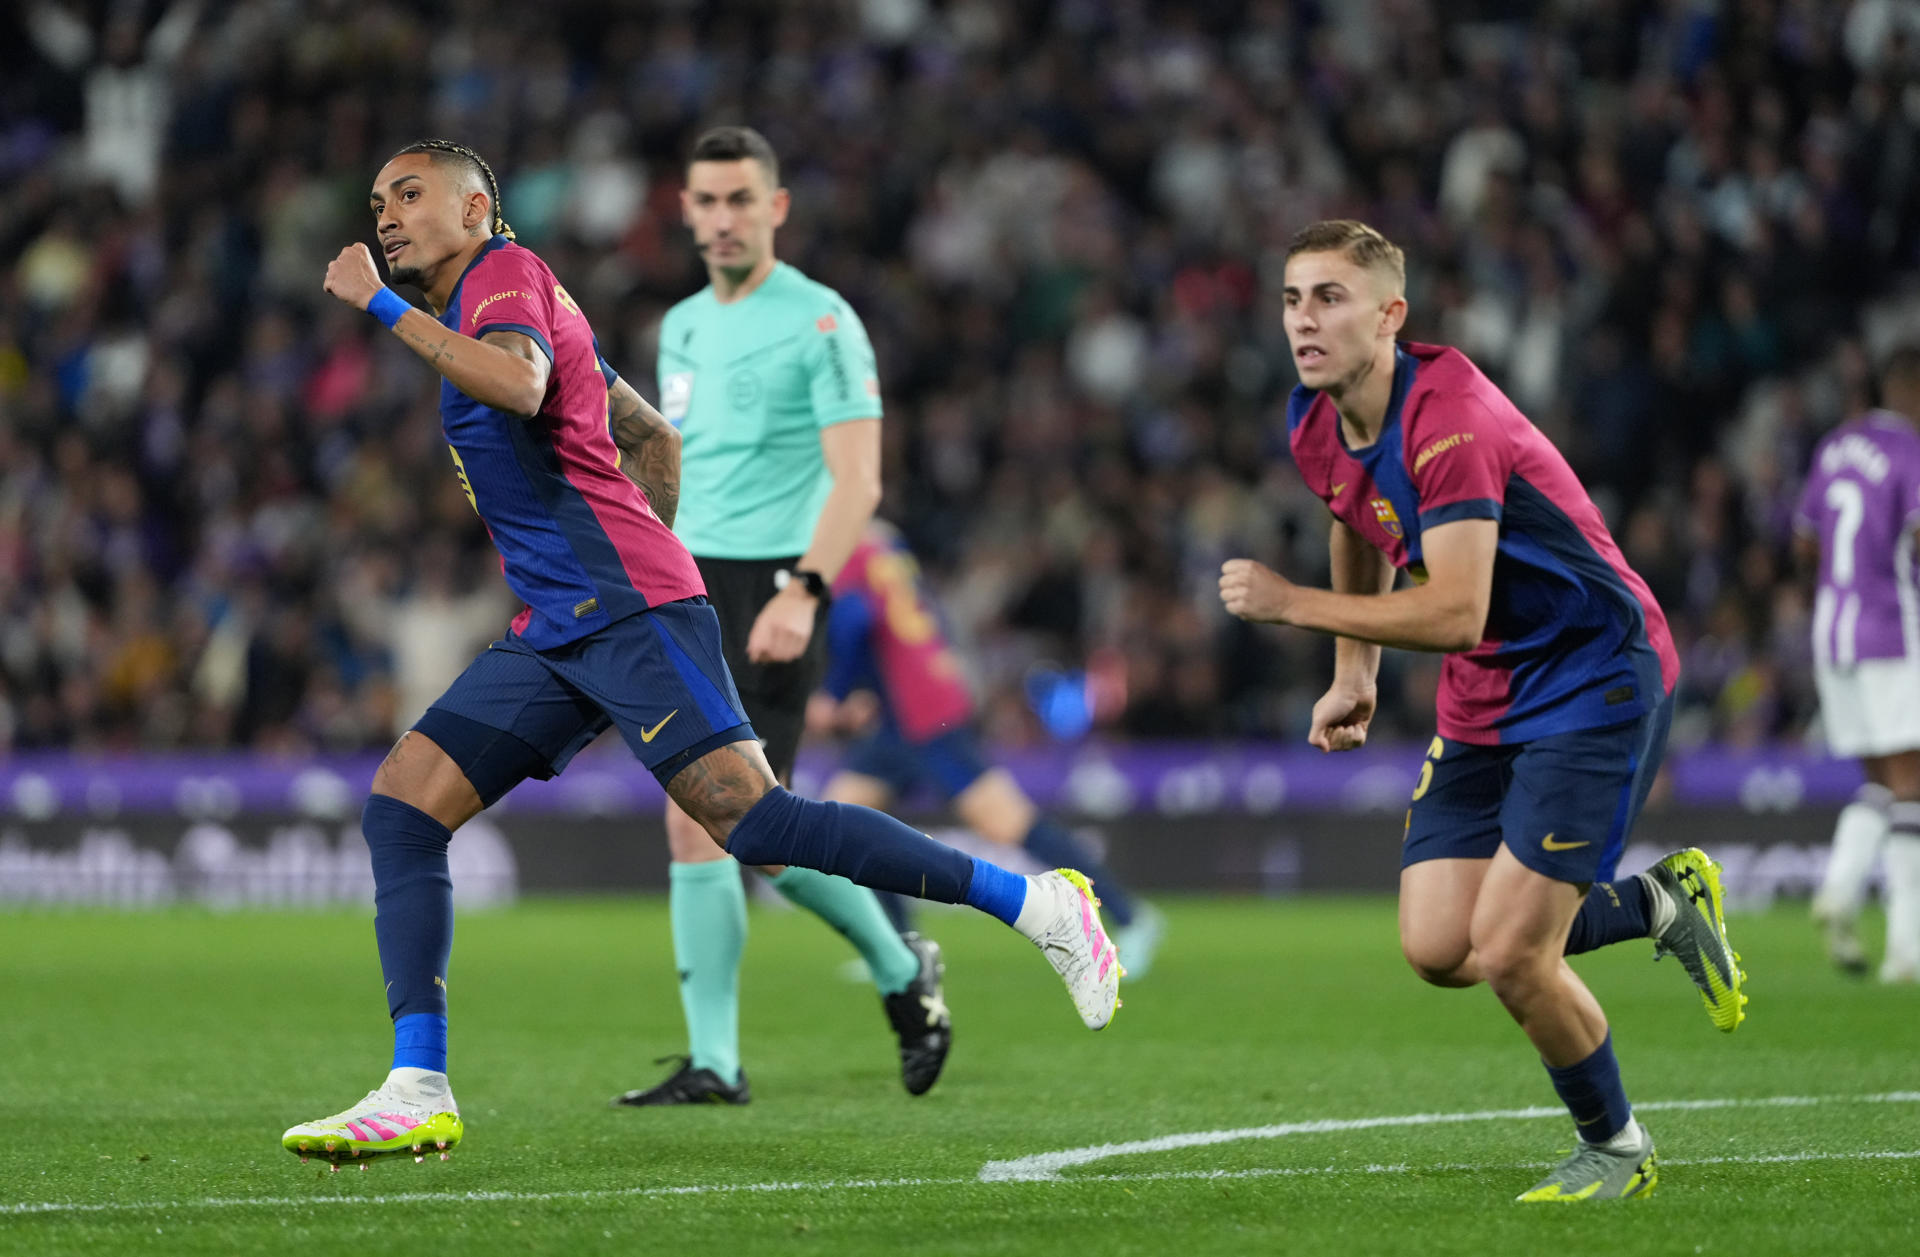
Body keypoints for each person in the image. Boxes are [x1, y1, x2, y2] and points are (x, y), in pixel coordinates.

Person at [281, 140, 1120, 1170]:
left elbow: (519, 383)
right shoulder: (523, 294)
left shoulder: (503, 277)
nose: (387, 216)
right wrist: (650, 541)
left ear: (477, 207)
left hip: (622, 608)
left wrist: (378, 307)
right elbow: (649, 438)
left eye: (410, 195)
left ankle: (1040, 904)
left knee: (754, 820)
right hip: (563, 623)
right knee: (404, 806)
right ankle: (418, 1084)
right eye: (376, 202)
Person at [1218, 220, 1746, 1203]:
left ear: (1391, 315)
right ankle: (1655, 903)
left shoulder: (1448, 416)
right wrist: (1355, 669)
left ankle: (1617, 1150)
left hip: (1593, 676)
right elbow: (1357, 521)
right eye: (1292, 299)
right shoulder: (1314, 421)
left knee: (1509, 952)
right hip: (1486, 693)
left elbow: (1458, 611)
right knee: (1437, 948)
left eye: (1330, 297)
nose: (1303, 321)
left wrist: (1292, 606)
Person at [611, 126, 950, 1109]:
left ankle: (890, 972)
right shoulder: (680, 326)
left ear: (777, 207)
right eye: (706, 203)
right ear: (684, 210)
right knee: (716, 829)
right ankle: (728, 1054)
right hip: (683, 584)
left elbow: (860, 479)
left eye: (740, 202)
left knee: (745, 825)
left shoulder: (824, 322)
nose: (722, 220)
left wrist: (804, 591)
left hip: (771, 588)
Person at [810, 520, 1164, 974]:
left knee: (1005, 822)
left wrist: (833, 694)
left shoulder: (836, 544)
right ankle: (900, 953)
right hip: (914, 703)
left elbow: (857, 620)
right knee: (849, 819)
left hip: (919, 714)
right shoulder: (878, 538)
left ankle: (1131, 917)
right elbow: (910, 618)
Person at [1796, 346, 1920, 983]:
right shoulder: (1910, 452)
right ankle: (1906, 948)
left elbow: (1804, 537)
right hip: (1890, 631)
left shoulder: (1836, 445)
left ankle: (1841, 888)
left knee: (1881, 778)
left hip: (1832, 632)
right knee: (1911, 784)